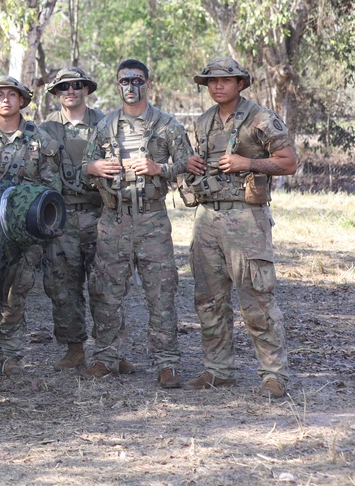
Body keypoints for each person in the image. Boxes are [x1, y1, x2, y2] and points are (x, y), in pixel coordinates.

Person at [183, 57, 297, 399]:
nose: (218, 86)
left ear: (240, 84)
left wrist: (248, 162)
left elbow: (289, 162)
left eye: (226, 80)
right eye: (212, 81)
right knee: (208, 299)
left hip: (246, 219)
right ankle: (218, 370)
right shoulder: (203, 122)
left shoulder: (260, 118)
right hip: (207, 218)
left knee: (256, 300)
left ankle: (273, 374)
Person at [82, 59, 192, 389]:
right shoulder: (104, 126)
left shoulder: (167, 125)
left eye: (137, 80)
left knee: (161, 291)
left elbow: (190, 164)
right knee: (106, 292)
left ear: (148, 83)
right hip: (114, 218)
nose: (131, 86)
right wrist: (95, 169)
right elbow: (83, 169)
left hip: (151, 219)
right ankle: (106, 357)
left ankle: (167, 362)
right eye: (124, 81)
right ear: (117, 86)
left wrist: (160, 169)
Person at [0, 75, 60, 375]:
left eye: (12, 95)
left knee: (15, 295)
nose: (6, 100)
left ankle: (9, 356)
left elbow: (52, 186)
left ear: (22, 100)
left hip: (24, 233)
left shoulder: (40, 139)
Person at [41, 67, 106, 371]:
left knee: (106, 284)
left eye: (77, 85)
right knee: (62, 285)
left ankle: (109, 350)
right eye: (64, 86)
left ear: (86, 90)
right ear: (56, 92)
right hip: (61, 216)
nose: (71, 90)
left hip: (100, 213)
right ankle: (74, 348)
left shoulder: (106, 124)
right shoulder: (45, 130)